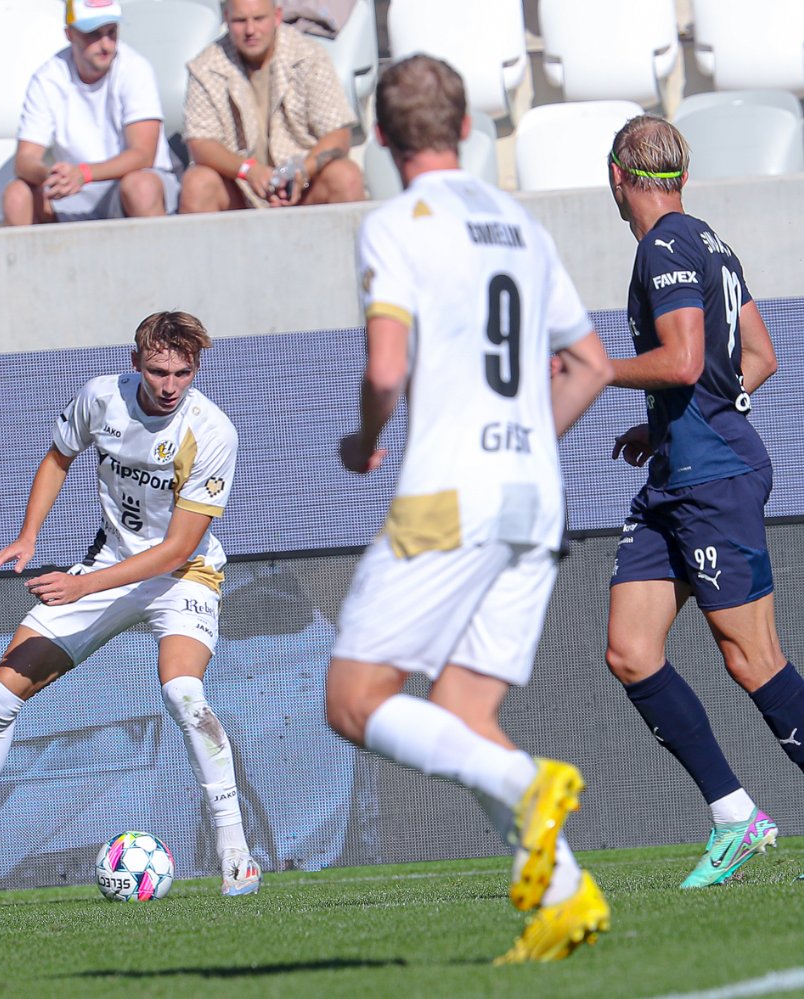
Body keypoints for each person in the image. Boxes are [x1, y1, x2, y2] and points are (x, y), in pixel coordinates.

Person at [325, 56, 614, 963]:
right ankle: (564, 899)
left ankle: (528, 782)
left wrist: (362, 437)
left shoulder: (395, 224)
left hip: (449, 495)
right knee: (463, 711)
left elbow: (385, 369)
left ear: (380, 138)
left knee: (354, 700)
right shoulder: (522, 223)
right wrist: (524, 442)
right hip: (536, 494)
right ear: (465, 129)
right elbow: (592, 365)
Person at [0, 311, 263, 896]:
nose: (170, 385)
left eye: (183, 373)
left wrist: (83, 585)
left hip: (183, 577)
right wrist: (28, 536)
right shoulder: (100, 398)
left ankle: (236, 853)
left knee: (183, 693)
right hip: (106, 567)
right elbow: (57, 457)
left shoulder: (213, 432)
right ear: (135, 362)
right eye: (158, 371)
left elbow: (177, 548)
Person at [603, 115, 804, 888]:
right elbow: (760, 356)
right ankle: (734, 816)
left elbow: (686, 360)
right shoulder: (710, 241)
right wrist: (670, 424)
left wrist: (599, 369)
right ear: (679, 175)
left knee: (753, 659)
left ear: (616, 176)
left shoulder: (663, 246)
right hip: (676, 477)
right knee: (631, 649)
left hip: (712, 480)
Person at [4, 0, 180, 224]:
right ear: (69, 34)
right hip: (75, 191)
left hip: (132, 181)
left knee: (140, 187)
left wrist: (84, 173)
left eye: (111, 32)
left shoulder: (135, 68)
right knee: (16, 195)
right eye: (93, 34)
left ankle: (156, 247)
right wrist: (51, 176)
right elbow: (24, 160)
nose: (106, 45)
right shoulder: (47, 78)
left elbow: (143, 155)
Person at [179, 0, 363, 214]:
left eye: (259, 19)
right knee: (197, 184)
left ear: (277, 17)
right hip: (239, 189)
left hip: (304, 187)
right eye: (240, 21)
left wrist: (302, 171)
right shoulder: (205, 66)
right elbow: (200, 143)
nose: (250, 30)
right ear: (226, 19)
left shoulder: (309, 56)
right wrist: (248, 170)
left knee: (346, 176)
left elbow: (338, 134)